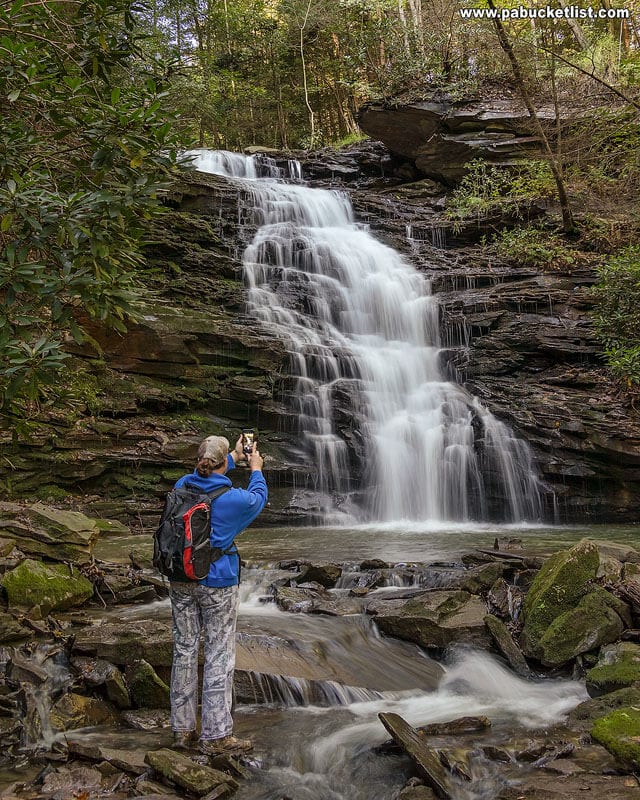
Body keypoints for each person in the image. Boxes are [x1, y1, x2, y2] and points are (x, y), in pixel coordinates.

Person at [169, 433, 267, 755]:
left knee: (184, 651)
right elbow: (259, 499)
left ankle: (182, 730)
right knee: (218, 654)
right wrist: (255, 468)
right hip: (218, 583)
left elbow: (210, 470)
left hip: (181, 579)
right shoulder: (233, 500)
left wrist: (235, 456)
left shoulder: (182, 484)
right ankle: (217, 734)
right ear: (221, 461)